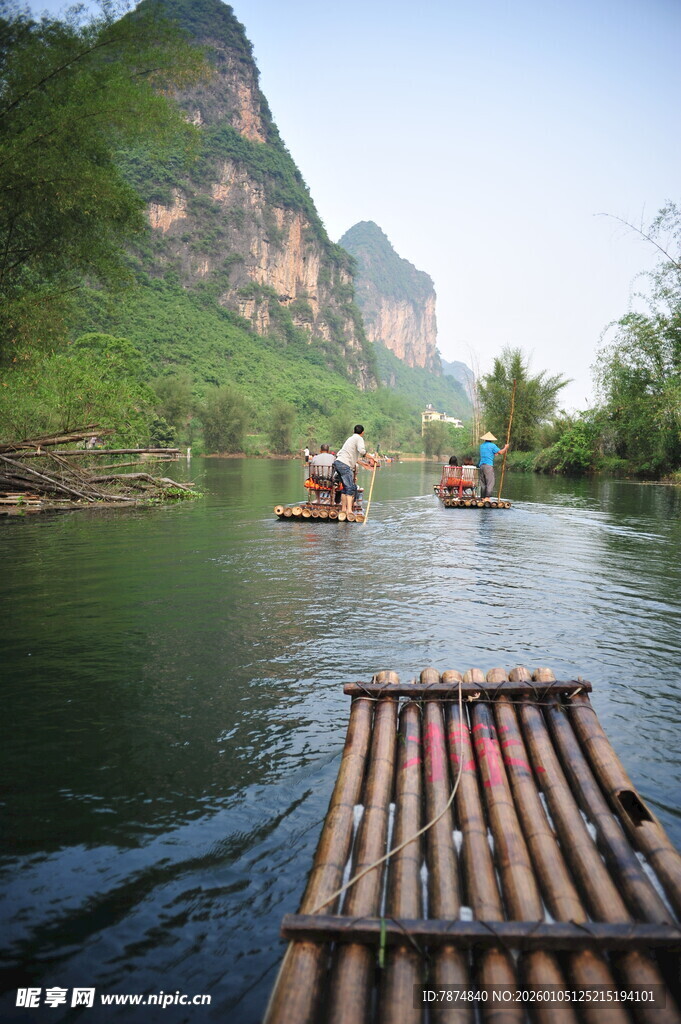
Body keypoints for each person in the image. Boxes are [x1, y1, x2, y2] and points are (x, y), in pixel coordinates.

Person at [333, 425, 378, 515]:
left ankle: (343, 509)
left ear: (354, 431)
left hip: (338, 463)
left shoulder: (350, 439)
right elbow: (362, 451)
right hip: (344, 465)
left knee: (345, 487)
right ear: (362, 433)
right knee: (349, 488)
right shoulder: (359, 438)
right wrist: (372, 457)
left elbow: (351, 456)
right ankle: (349, 511)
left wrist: (364, 464)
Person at [478, 431, 509, 499]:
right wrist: (506, 447)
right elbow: (501, 452)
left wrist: (494, 454)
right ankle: (487, 497)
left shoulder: (482, 446)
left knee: (483, 482)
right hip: (488, 465)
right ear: (491, 440)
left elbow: (488, 453)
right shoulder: (492, 445)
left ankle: (482, 497)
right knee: (490, 481)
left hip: (481, 465)